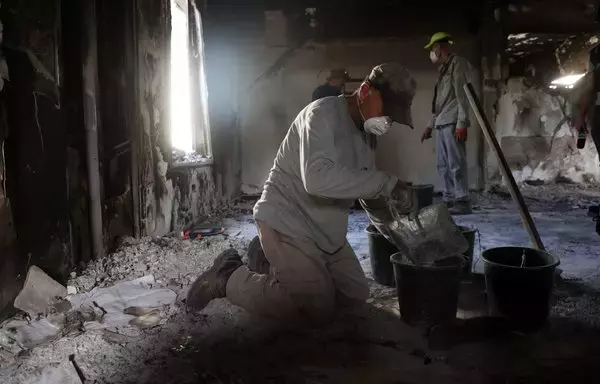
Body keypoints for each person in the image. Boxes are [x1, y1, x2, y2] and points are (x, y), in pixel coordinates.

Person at [186, 63, 417, 324]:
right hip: (288, 222)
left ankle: (268, 262)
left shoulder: (366, 135)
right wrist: (387, 182)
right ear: (364, 91)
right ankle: (228, 275)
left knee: (354, 295)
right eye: (386, 111)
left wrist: (399, 231)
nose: (387, 121)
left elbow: (366, 189)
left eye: (392, 118)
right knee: (313, 307)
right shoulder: (321, 115)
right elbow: (316, 179)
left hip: (325, 232)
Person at [421, 32, 474, 215]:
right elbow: (439, 103)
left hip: (452, 121)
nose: (432, 53)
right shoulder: (443, 69)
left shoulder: (457, 64)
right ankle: (450, 198)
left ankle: (463, 200)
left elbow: (463, 95)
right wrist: (429, 125)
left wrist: (462, 123)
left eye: (432, 49)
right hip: (442, 121)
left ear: (440, 47)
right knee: (442, 164)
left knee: (456, 162)